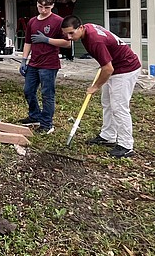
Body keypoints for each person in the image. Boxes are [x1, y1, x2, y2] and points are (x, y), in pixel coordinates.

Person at [60, 16, 142, 158]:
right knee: (107, 103)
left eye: (71, 33)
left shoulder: (95, 40)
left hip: (125, 69)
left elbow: (108, 69)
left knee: (119, 107)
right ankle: (108, 135)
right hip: (114, 67)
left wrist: (95, 86)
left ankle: (126, 145)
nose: (68, 37)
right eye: (65, 34)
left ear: (80, 28)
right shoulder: (88, 28)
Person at [18, 0, 71, 134]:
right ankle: (34, 116)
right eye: (41, 7)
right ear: (37, 4)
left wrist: (47, 40)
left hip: (49, 64)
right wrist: (24, 60)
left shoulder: (59, 21)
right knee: (28, 91)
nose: (43, 10)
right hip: (34, 63)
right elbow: (28, 41)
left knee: (47, 94)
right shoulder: (32, 21)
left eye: (47, 7)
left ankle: (47, 124)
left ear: (52, 6)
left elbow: (68, 43)